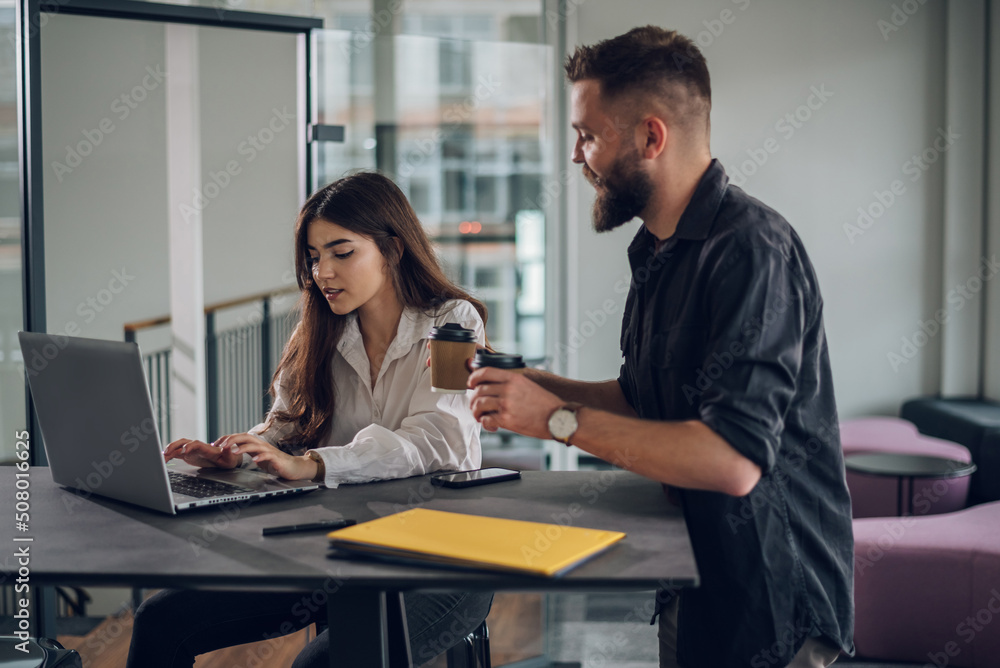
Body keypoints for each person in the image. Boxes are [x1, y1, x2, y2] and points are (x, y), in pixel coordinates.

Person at [466, 27, 854, 668]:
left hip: (773, 607)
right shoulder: (657, 250)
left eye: (588, 135)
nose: (576, 156)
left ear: (651, 137)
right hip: (693, 581)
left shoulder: (753, 251)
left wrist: (553, 420)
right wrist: (532, 386)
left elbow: (732, 462)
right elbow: (643, 398)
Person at [127, 171, 494, 668]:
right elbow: (288, 425)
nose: (323, 272)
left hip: (442, 557)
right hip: (335, 548)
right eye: (314, 257)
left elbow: (437, 441)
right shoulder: (319, 326)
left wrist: (314, 465)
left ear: (394, 248)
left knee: (317, 665)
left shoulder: (455, 323)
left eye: (342, 253)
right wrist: (242, 452)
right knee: (160, 620)